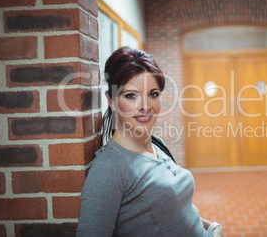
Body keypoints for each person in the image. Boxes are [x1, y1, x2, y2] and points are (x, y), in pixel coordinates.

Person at [77, 47, 224, 237]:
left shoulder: (157, 144)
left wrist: (212, 228)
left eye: (153, 94)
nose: (146, 106)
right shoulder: (110, 168)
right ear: (112, 101)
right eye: (131, 95)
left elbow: (175, 209)